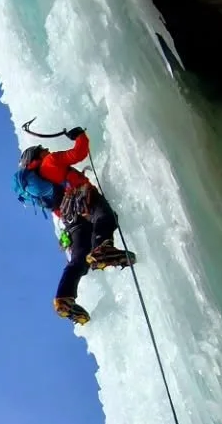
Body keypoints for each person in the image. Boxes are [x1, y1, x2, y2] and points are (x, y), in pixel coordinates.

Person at [14, 126, 134, 324]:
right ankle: (104, 248)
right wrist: (79, 135)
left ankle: (64, 297)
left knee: (78, 258)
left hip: (70, 219)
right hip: (83, 197)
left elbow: (59, 210)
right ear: (37, 156)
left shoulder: (42, 192)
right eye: (42, 149)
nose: (47, 150)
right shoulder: (50, 162)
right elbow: (79, 152)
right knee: (105, 218)